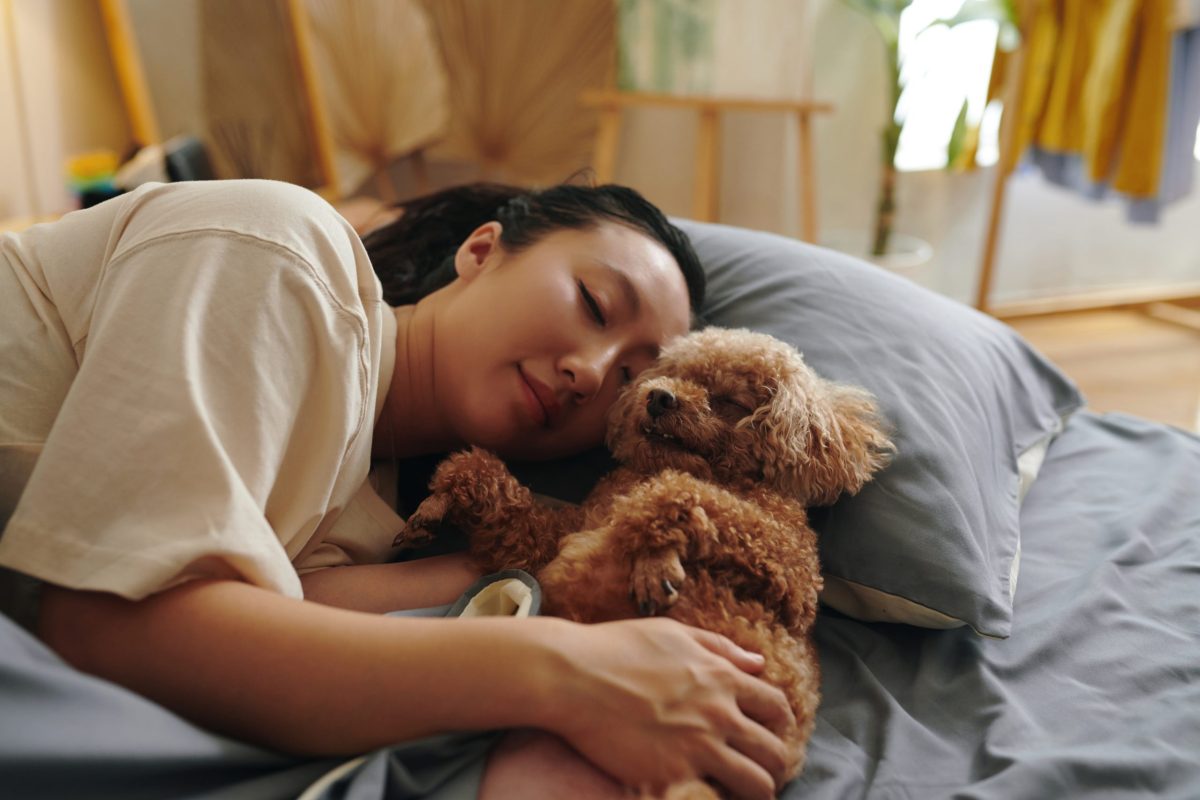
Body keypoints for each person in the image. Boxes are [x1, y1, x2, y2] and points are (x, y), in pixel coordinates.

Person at [0, 178, 793, 799]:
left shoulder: (369, 512)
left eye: (630, 377)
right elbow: (104, 621)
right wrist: (568, 670)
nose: (590, 373)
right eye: (592, 303)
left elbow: (248, 637)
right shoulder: (284, 251)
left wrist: (525, 572)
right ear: (482, 250)